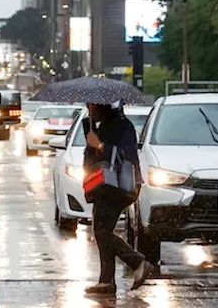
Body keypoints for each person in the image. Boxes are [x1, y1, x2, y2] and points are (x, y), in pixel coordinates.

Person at [85, 101, 157, 295]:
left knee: (102, 232)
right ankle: (106, 280)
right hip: (105, 186)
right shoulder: (102, 126)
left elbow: (127, 155)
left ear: (102, 106)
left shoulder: (122, 126)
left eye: (91, 106)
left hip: (118, 186)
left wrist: (99, 144)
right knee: (102, 229)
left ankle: (138, 262)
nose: (88, 109)